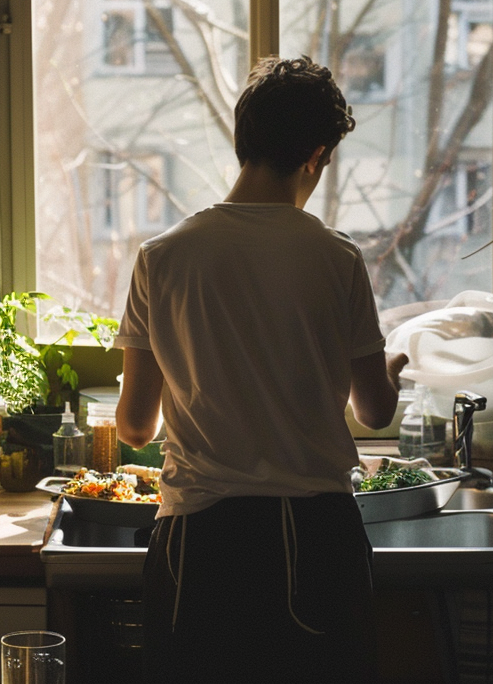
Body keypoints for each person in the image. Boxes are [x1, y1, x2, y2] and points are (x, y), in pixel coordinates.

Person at [114, 55, 407, 683]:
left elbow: (135, 426)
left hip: (203, 540)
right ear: (317, 155)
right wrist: (393, 369)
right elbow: (375, 410)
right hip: (317, 538)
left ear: (242, 140)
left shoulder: (161, 258)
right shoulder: (336, 256)